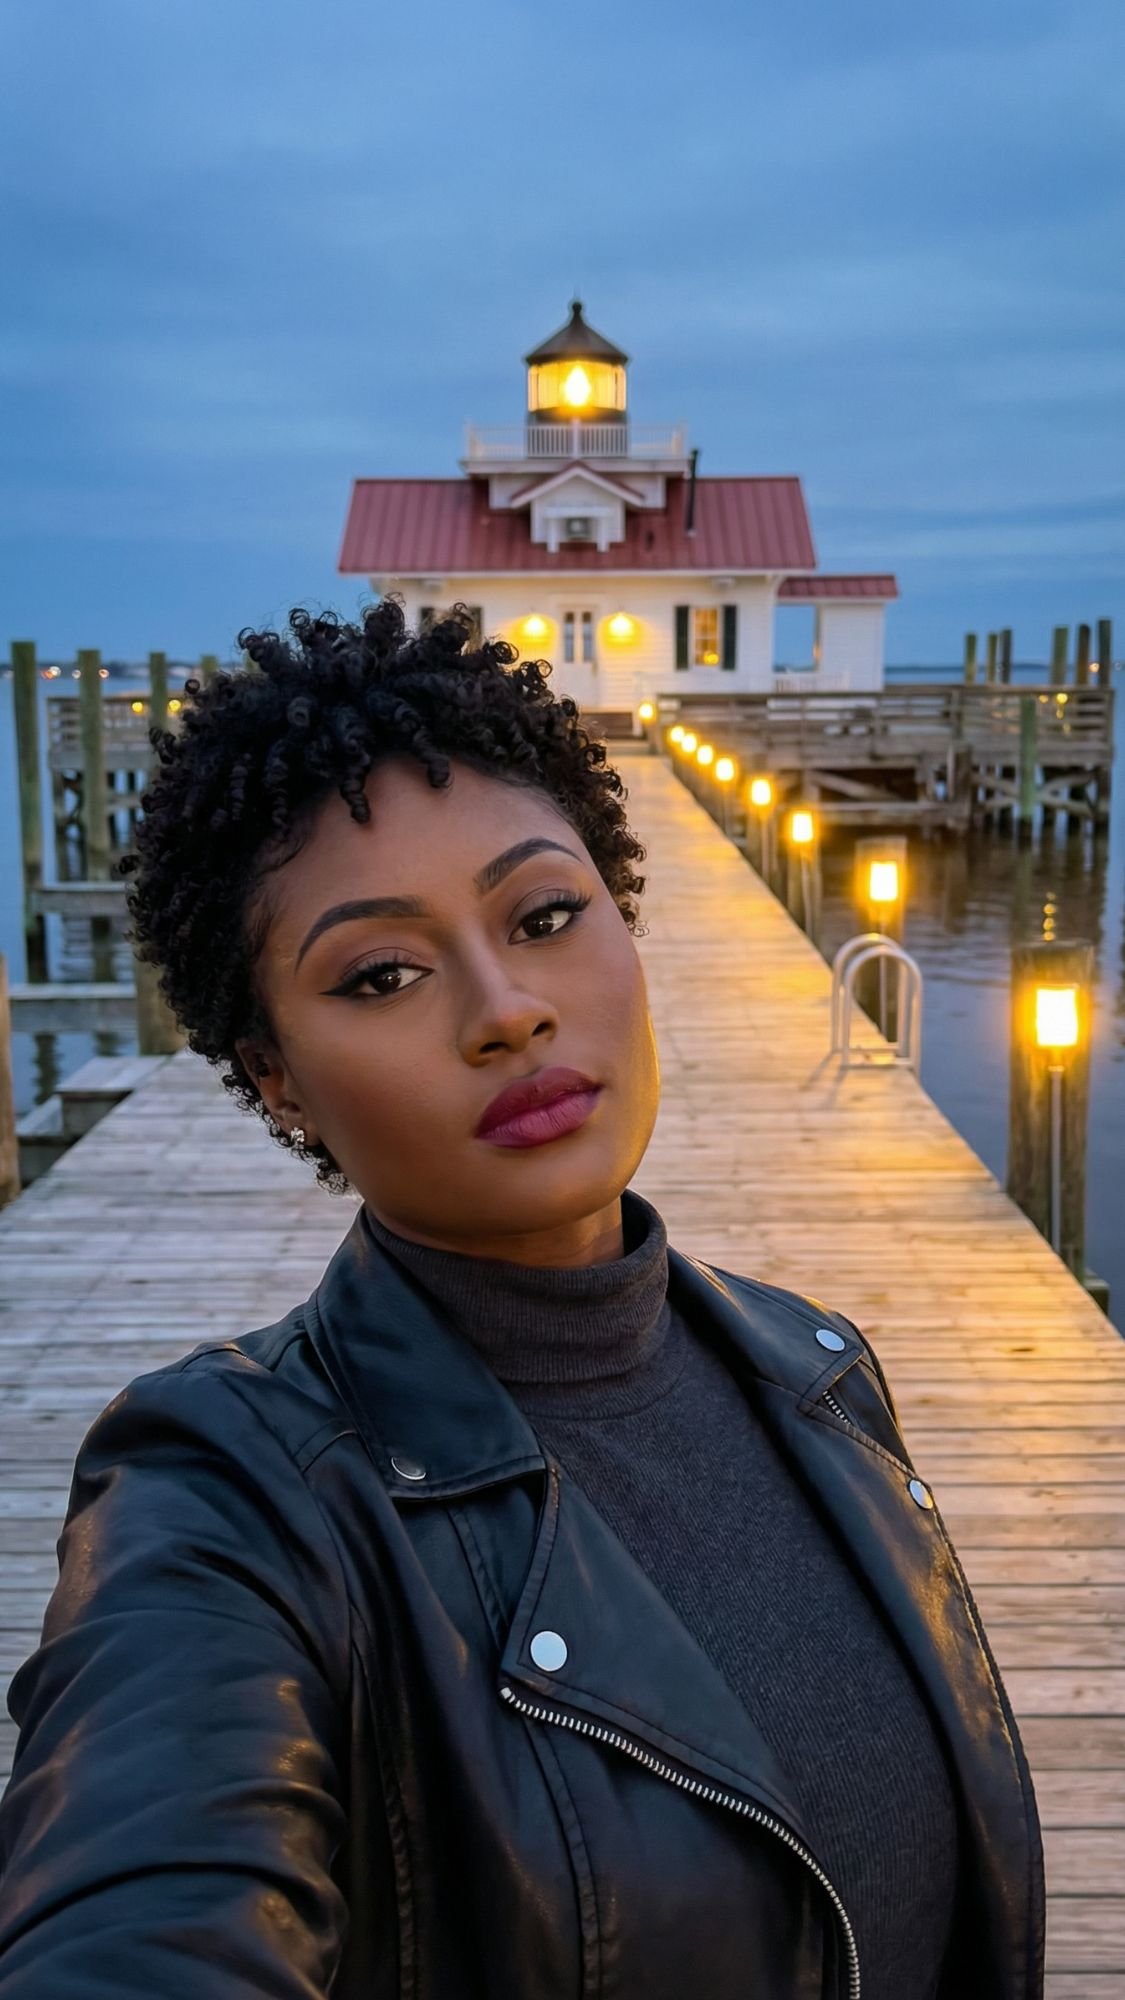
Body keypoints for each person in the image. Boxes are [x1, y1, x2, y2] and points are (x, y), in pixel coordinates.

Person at [0, 601, 1044, 1998]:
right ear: (276, 1079)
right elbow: (143, 1895)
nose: (505, 1008)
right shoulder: (228, 1495)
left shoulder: (815, 1369)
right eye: (382, 974)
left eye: (544, 914)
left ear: (622, 912)